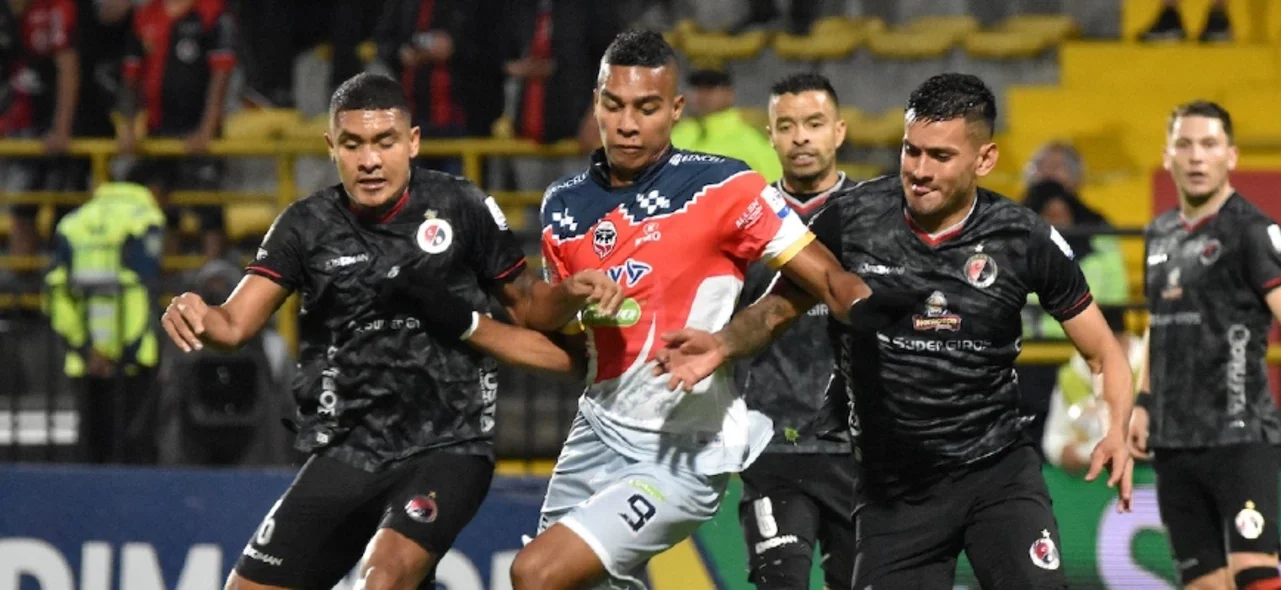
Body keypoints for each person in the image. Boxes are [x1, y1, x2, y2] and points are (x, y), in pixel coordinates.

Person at [656, 73, 1137, 589]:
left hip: (995, 472)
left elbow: (1104, 352)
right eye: (912, 151)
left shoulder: (1023, 238)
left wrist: (1118, 429)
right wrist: (722, 345)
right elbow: (776, 310)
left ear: (985, 159)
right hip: (894, 489)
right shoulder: (853, 219)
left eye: (940, 156)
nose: (920, 171)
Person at [159, 72, 621, 590]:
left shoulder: (460, 207)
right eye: (353, 144)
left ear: (413, 142)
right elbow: (233, 323)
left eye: (385, 142)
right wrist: (196, 309)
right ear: (332, 147)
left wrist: (572, 295)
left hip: (448, 446)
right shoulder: (305, 226)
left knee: (380, 581)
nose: (370, 160)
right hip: (348, 450)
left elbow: (531, 310)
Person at [508, 30, 900, 590]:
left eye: (646, 108)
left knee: (535, 573)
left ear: (675, 109)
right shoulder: (564, 204)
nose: (626, 123)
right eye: (613, 105)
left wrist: (877, 312)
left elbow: (827, 277)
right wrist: (571, 293)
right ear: (595, 103)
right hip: (595, 430)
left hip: (683, 452)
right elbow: (542, 316)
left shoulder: (725, 185)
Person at [1129, 101, 1281, 590]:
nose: (1196, 157)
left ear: (1231, 156)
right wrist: (1142, 402)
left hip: (1239, 436)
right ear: (1167, 155)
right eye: (1185, 144)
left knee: (1254, 572)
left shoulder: (1252, 232)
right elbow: (1160, 324)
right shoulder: (1159, 234)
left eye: (1209, 145)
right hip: (1173, 442)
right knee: (1203, 583)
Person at [733, 71, 855, 590]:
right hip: (771, 444)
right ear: (771, 136)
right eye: (787, 126)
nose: (801, 137)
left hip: (860, 449)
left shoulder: (875, 216)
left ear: (839, 132)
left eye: (814, 123)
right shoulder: (743, 221)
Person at [46, 181, 165, 464]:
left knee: (91, 450)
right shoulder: (144, 218)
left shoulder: (72, 223)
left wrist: (86, 349)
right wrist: (122, 353)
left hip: (86, 361)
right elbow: (140, 290)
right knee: (134, 450)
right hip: (131, 359)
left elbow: (58, 292)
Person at [1042, 306, 1141, 475]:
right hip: (1085, 489)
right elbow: (1053, 437)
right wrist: (1062, 452)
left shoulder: (1149, 373)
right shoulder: (1072, 377)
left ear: (1125, 340)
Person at [671, 68, 782, 182]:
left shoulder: (753, 138)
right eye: (695, 87)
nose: (701, 94)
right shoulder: (677, 134)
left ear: (729, 93)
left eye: (710, 87)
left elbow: (775, 187)